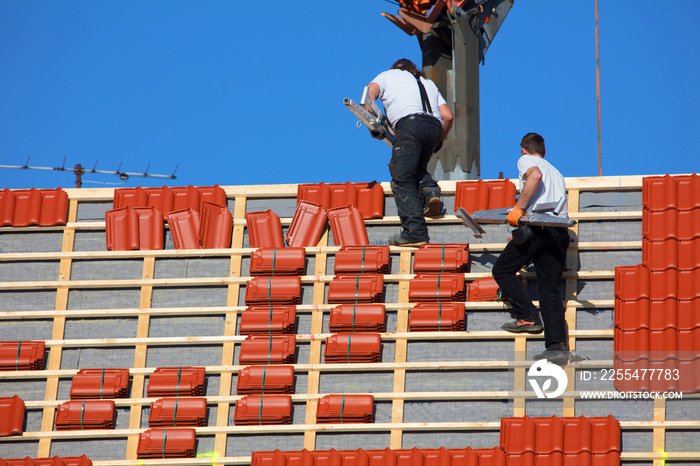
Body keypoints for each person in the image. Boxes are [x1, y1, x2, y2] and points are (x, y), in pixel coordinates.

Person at [492, 133, 571, 365]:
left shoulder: (527, 162)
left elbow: (534, 176)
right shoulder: (556, 172)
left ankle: (528, 316)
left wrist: (518, 208)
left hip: (539, 226)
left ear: (523, 150)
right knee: (549, 291)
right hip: (559, 230)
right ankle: (556, 346)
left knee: (502, 270)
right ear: (544, 152)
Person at [367, 58, 454, 246]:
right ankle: (431, 192)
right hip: (433, 128)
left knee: (402, 177)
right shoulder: (427, 82)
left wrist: (371, 119)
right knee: (414, 168)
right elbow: (447, 116)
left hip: (409, 125)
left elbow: (369, 94)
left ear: (395, 68)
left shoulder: (388, 76)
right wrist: (439, 139)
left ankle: (414, 232)